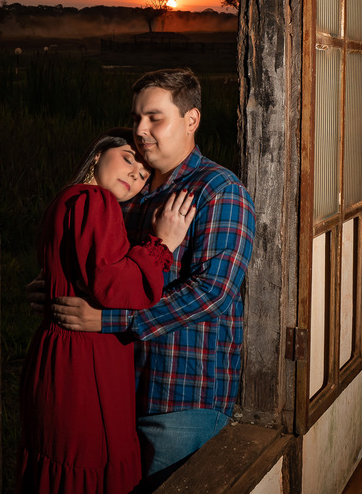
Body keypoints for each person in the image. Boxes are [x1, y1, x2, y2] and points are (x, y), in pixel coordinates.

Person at [48, 68, 256, 486]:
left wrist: (105, 320)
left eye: (155, 118)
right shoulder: (133, 190)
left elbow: (212, 292)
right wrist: (60, 287)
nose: (141, 129)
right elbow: (106, 270)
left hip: (179, 397)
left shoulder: (217, 191)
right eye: (137, 117)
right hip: (120, 386)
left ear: (191, 120)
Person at [16, 128, 196, 494]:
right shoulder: (96, 202)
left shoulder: (67, 199)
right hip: (85, 360)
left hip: (59, 352)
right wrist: (162, 244)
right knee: (89, 465)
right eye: (128, 158)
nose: (135, 173)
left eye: (144, 174)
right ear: (98, 155)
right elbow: (115, 286)